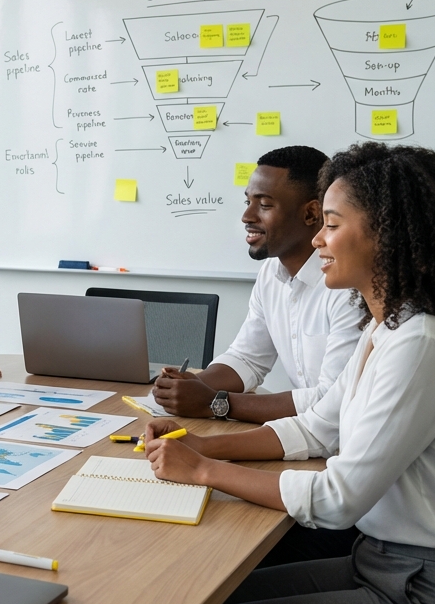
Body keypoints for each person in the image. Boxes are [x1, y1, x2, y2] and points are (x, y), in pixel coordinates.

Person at [153, 142, 435, 604]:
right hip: (386, 563)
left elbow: (337, 498)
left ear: (386, 236)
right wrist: (198, 446)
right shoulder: (388, 327)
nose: (318, 240)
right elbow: (318, 429)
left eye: (330, 224)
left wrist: (207, 471)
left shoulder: (420, 344)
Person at [154, 145, 360, 424]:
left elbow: (331, 400)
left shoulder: (349, 286)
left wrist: (215, 403)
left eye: (264, 205)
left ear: (312, 214)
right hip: (308, 436)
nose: (247, 216)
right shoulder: (270, 273)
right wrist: (193, 385)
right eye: (248, 202)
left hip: (339, 441)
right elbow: (247, 358)